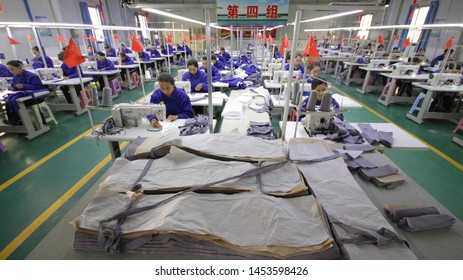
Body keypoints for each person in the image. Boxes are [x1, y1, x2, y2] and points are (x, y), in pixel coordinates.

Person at [3, 60, 48, 125]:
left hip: (36, 97)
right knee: (8, 103)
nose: (11, 72)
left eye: (12, 69)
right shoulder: (16, 77)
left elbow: (39, 87)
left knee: (16, 102)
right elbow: (13, 84)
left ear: (19, 67)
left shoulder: (32, 76)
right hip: (25, 96)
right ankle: (14, 121)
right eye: (9, 70)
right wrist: (13, 87)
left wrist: (24, 86)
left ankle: (20, 122)